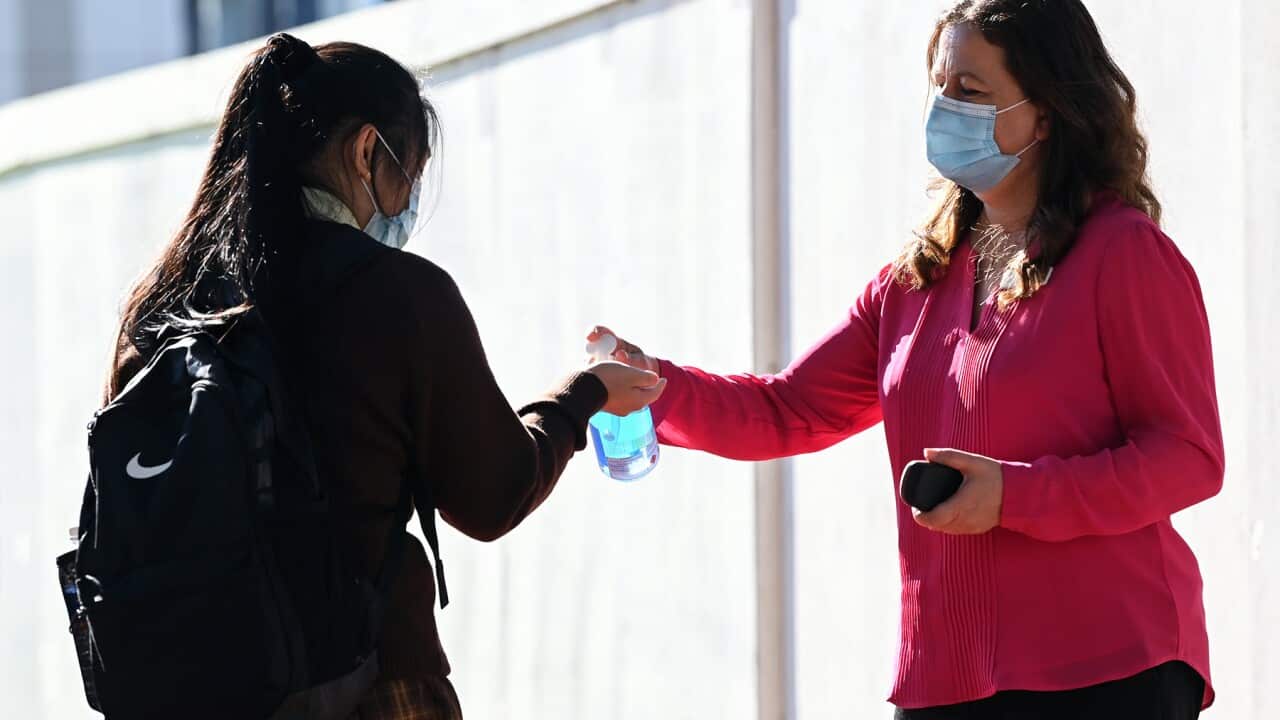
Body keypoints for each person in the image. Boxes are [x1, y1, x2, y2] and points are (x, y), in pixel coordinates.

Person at [591, 1, 1223, 718]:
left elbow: (1187, 455)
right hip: (944, 678)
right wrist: (652, 386)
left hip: (1106, 670)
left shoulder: (1124, 253)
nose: (945, 106)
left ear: (1045, 112)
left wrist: (1016, 497)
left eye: (971, 90)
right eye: (940, 84)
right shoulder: (914, 281)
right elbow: (787, 411)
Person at [103, 33, 665, 719]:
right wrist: (585, 396)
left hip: (186, 691)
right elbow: (492, 494)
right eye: (410, 174)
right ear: (367, 151)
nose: (406, 202)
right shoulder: (395, 292)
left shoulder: (165, 301)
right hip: (365, 683)